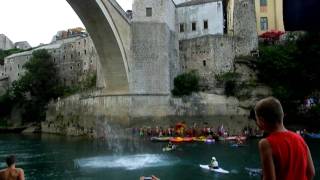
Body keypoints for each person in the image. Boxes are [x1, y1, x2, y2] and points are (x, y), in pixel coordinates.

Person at [255, 97, 315, 180]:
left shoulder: (266, 143)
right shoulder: (300, 138)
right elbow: (311, 172)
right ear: (281, 115)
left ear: (261, 120)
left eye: (257, 120)